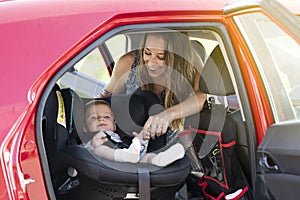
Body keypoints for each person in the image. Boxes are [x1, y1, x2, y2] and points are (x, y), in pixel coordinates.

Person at [100, 31, 207, 139]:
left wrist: (169, 114)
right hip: (125, 143)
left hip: (166, 148)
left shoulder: (190, 65)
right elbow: (104, 101)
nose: (151, 63)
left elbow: (201, 96)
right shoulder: (128, 63)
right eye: (147, 53)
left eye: (160, 57)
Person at [83, 99, 185, 167]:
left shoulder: (119, 137)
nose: (101, 119)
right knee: (99, 150)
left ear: (114, 125)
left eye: (106, 117)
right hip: (109, 163)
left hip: (133, 159)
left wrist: (141, 140)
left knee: (147, 157)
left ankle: (158, 160)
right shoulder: (90, 140)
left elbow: (134, 147)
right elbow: (84, 151)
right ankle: (127, 156)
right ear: (85, 128)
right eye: (94, 117)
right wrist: (92, 145)